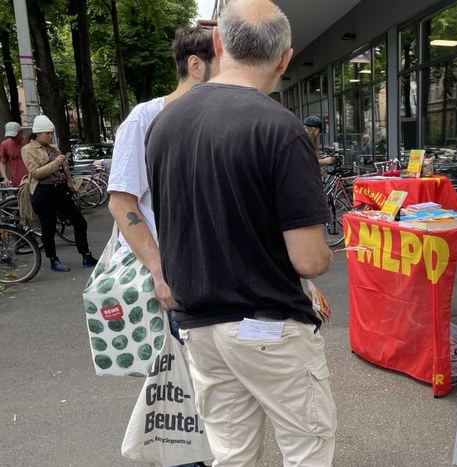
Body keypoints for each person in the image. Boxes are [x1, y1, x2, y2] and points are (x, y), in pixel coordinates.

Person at [145, 1, 336, 465]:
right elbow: (308, 260)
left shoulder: (164, 125)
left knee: (231, 453)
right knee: (306, 446)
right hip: (267, 324)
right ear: (285, 58)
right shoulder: (280, 129)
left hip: (200, 327)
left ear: (217, 44)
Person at [108, 26, 216, 314]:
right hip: (172, 278)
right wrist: (159, 272)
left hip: (216, 274)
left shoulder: (218, 119)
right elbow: (121, 202)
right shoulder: (143, 120)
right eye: (222, 67)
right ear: (196, 65)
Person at [21, 115, 97, 272]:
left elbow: (64, 169)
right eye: (46, 133)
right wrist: (55, 164)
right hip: (43, 191)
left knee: (79, 221)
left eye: (50, 133)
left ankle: (86, 255)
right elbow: (35, 173)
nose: (49, 136)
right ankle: (53, 260)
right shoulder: (28, 150)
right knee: (48, 227)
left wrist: (68, 179)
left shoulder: (53, 148)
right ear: (37, 133)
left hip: (59, 189)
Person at [0, 122, 27, 187]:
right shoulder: (5, 144)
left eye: (15, 136)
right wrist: (5, 178)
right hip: (16, 183)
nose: (13, 138)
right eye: (10, 136)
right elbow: (2, 163)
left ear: (21, 132)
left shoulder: (30, 142)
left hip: (31, 182)